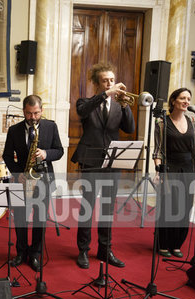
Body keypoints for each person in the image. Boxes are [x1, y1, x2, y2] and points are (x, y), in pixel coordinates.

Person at [71, 62, 135, 269]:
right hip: (90, 160)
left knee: (108, 207)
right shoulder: (86, 102)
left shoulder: (119, 105)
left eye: (112, 80)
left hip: (113, 161)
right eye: (106, 80)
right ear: (97, 83)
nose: (110, 83)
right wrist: (106, 94)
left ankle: (105, 250)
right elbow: (82, 112)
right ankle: (83, 250)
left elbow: (129, 128)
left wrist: (125, 106)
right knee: (87, 206)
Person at [3, 95, 63, 272]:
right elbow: (7, 155)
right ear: (23, 112)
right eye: (29, 114)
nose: (33, 117)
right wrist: (17, 173)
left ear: (41, 110)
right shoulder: (14, 130)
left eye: (36, 113)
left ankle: (35, 254)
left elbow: (59, 151)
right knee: (20, 218)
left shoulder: (51, 126)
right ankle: (21, 253)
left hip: (43, 179)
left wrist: (45, 153)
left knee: (40, 218)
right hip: (22, 179)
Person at [153, 88, 195, 258]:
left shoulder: (193, 121)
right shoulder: (161, 122)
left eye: (188, 98)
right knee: (169, 207)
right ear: (173, 101)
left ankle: (177, 244)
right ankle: (163, 243)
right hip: (170, 168)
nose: (186, 101)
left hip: (188, 168)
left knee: (185, 207)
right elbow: (158, 150)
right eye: (182, 98)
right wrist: (158, 171)